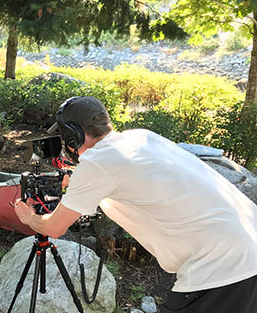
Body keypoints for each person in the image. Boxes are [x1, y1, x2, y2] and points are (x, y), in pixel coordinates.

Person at [13, 96, 257, 313]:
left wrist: (28, 217)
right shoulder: (141, 136)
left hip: (222, 266)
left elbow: (54, 228)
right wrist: (78, 180)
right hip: (248, 239)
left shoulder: (97, 164)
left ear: (72, 135)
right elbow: (133, 173)